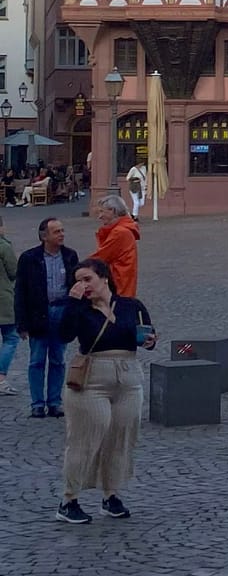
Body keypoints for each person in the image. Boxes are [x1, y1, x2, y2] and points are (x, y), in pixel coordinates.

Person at [55, 257, 156, 524]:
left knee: (120, 439)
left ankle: (111, 496)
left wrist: (150, 340)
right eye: (78, 281)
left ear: (104, 278)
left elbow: (148, 335)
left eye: (88, 279)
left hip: (128, 376)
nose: (83, 285)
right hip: (92, 379)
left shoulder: (130, 306)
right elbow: (64, 335)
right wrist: (73, 303)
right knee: (85, 439)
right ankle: (69, 499)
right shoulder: (80, 309)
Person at [15, 216, 78, 418]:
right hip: (38, 313)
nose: (62, 235)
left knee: (58, 359)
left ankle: (54, 401)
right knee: (37, 360)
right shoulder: (29, 258)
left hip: (61, 311)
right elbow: (21, 292)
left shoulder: (70, 256)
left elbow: (75, 286)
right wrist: (22, 323)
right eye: (57, 231)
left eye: (62, 230)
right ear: (44, 236)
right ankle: (37, 403)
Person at [89, 195, 141, 299]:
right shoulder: (124, 230)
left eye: (102, 212)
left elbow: (100, 257)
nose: (99, 216)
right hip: (124, 283)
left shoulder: (119, 232)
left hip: (118, 285)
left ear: (112, 211)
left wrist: (78, 269)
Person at [0, 213, 16, 395]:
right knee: (11, 338)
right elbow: (14, 271)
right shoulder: (4, 246)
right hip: (4, 299)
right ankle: (1, 377)